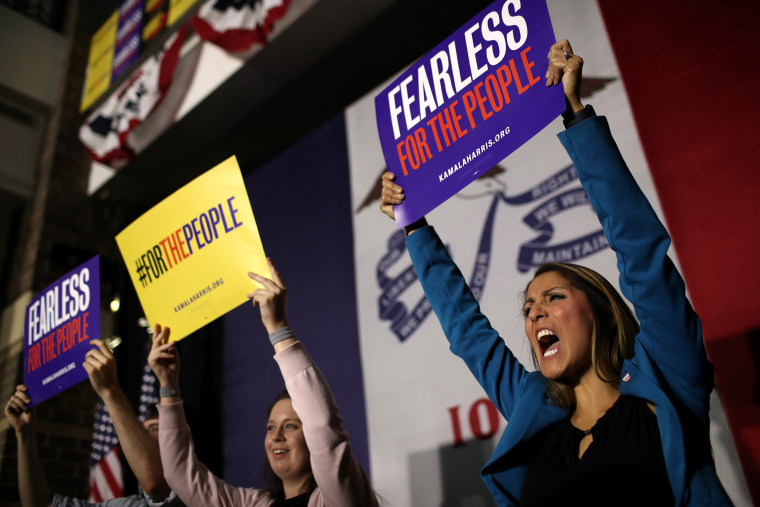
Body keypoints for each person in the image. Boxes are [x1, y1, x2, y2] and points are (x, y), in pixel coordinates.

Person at [379, 40, 733, 506]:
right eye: (529, 307)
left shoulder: (667, 373)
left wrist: (575, 114)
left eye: (553, 298)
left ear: (602, 309)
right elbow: (469, 335)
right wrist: (415, 225)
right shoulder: (533, 406)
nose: (535, 313)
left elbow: (640, 253)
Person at [148, 258, 378, 506]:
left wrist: (278, 328)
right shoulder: (253, 504)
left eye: (291, 426)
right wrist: (168, 383)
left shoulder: (342, 496)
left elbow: (322, 426)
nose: (276, 436)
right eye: (270, 427)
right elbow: (180, 473)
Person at [4, 340, 181, 507]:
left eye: (156, 428)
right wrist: (24, 434)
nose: (142, 434)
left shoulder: (195, 495)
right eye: (144, 427)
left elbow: (155, 484)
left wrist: (109, 390)